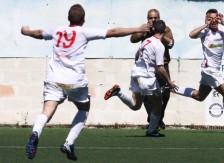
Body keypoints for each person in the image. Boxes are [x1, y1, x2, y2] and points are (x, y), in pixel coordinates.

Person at [21, 4, 149, 161]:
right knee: (84, 109)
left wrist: (26, 31)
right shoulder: (84, 32)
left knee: (47, 110)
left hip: (54, 78)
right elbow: (113, 32)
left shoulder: (56, 30)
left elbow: (38, 33)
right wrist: (139, 28)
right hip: (75, 81)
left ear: (68, 18)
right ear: (83, 20)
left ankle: (35, 133)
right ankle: (68, 143)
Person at [173, 9, 224, 130]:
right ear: (206, 19)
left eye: (215, 18)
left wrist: (223, 22)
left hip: (214, 70)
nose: (213, 20)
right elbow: (191, 35)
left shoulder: (222, 30)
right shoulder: (204, 31)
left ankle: (171, 88)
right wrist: (205, 24)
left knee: (199, 96)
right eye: (210, 18)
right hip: (209, 69)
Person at [104, 20, 177, 137]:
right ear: (164, 31)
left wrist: (140, 66)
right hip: (147, 77)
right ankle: (152, 130)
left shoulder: (146, 41)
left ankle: (119, 92)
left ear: (153, 29)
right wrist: (169, 81)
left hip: (135, 74)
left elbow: (137, 55)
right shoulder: (159, 45)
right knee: (158, 104)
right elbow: (160, 68)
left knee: (136, 105)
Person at [130, 9, 174, 129]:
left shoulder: (165, 28)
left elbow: (171, 43)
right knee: (148, 95)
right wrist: (142, 30)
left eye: (155, 18)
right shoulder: (144, 29)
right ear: (147, 19)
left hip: (162, 65)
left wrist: (160, 34)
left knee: (165, 94)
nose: (153, 20)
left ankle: (159, 118)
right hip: (147, 67)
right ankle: (153, 121)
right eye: (151, 18)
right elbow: (133, 39)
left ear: (159, 18)